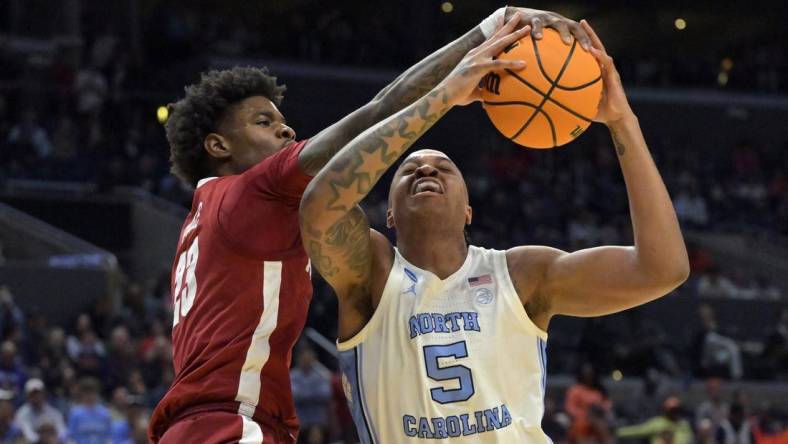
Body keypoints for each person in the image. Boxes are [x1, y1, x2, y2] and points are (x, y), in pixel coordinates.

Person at [148, 6, 592, 444]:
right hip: (232, 425)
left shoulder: (205, 219)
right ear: (218, 145)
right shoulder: (251, 191)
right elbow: (377, 110)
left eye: (285, 123)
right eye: (264, 123)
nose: (286, 133)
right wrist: (485, 33)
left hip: (203, 426)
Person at [299, 18, 689, 442]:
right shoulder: (370, 273)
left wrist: (622, 121)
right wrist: (442, 97)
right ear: (388, 214)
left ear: (469, 210)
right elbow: (319, 205)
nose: (426, 167)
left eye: (443, 167)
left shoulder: (522, 274)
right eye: (408, 169)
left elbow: (662, 269)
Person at [617, 397, 694, 444]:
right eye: (671, 410)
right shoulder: (657, 422)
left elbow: (688, 439)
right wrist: (617, 432)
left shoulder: (683, 425)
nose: (674, 412)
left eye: (676, 410)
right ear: (665, 410)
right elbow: (638, 430)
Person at [14, 379, 66, 443]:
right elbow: (29, 435)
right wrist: (44, 437)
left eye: (38, 393)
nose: (36, 396)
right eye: (33, 394)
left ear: (44, 393)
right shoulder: (22, 413)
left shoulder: (53, 412)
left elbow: (62, 431)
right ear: (27, 395)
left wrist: (56, 438)